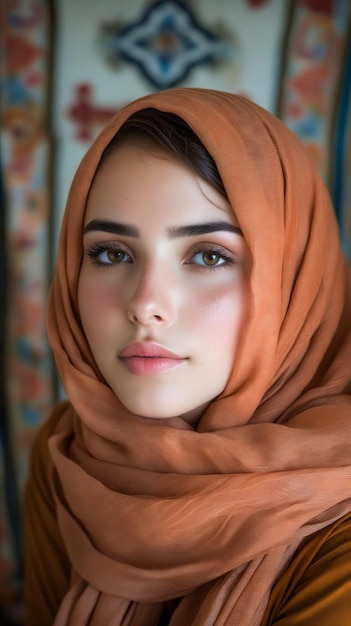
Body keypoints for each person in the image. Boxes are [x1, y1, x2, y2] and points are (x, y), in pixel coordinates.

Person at [24, 88, 351, 625]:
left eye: (207, 255)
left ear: (295, 282)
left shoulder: (337, 514)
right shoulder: (68, 456)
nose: (146, 304)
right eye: (110, 252)